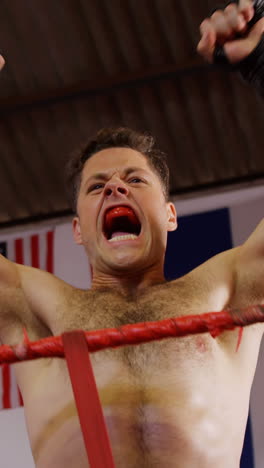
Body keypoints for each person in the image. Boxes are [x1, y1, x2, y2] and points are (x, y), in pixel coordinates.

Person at [0, 1, 264, 467]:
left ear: (169, 215)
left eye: (134, 180)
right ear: (79, 231)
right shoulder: (35, 305)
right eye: (97, 186)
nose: (116, 187)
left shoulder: (229, 288)